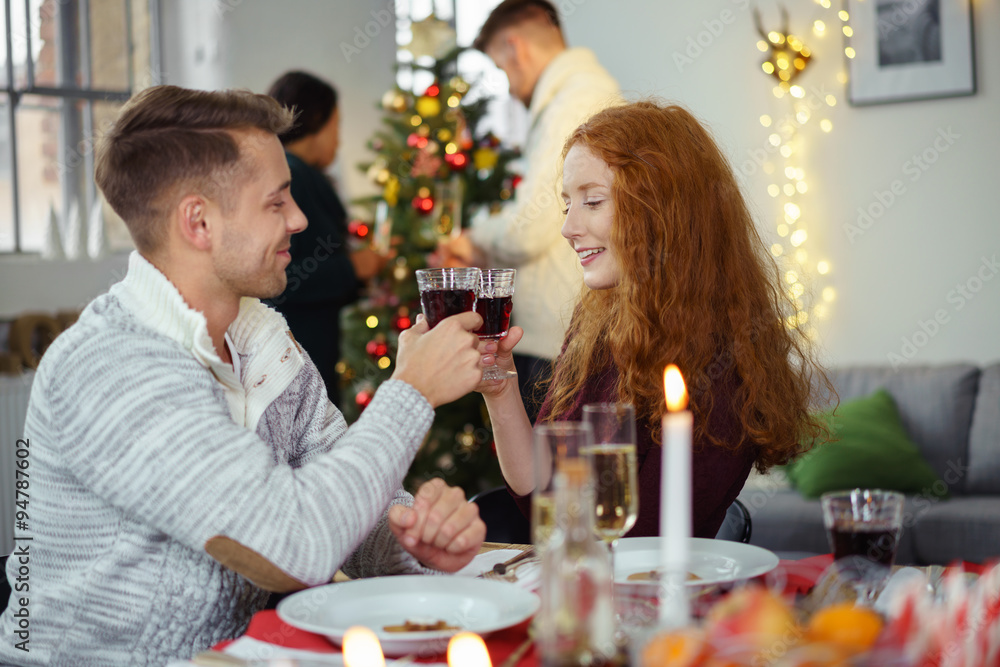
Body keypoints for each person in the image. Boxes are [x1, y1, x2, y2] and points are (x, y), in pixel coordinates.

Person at [0, 86, 486, 665]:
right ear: (199, 222)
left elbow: (342, 508)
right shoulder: (113, 367)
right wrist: (409, 392)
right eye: (276, 202)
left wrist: (413, 538)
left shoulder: (262, 343)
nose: (300, 218)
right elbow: (293, 544)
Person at [479, 101, 832, 539]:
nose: (568, 227)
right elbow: (542, 498)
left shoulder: (720, 364)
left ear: (662, 210)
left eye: (592, 201)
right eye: (568, 203)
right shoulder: (600, 326)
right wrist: (501, 386)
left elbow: (638, 543)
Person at [439, 0, 620, 422]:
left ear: (516, 48)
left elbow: (531, 226)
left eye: (502, 70)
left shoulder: (576, 101)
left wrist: (470, 240)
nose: (509, 86)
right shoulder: (571, 98)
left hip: (560, 338)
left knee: (557, 481)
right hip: (561, 331)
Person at [265, 71, 390, 406]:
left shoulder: (288, 174)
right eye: (337, 125)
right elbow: (283, 277)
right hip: (300, 347)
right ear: (317, 122)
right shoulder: (295, 177)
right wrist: (354, 267)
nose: (339, 139)